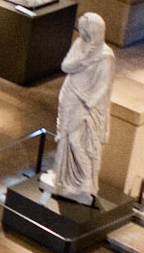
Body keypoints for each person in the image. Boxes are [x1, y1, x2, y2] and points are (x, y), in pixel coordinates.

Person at [44, 12, 115, 205]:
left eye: (85, 29)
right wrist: (83, 59)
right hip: (70, 95)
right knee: (66, 138)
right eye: (81, 29)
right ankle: (64, 177)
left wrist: (90, 104)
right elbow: (66, 66)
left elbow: (103, 85)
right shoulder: (80, 45)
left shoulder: (105, 55)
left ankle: (85, 182)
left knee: (78, 141)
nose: (81, 32)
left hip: (84, 104)